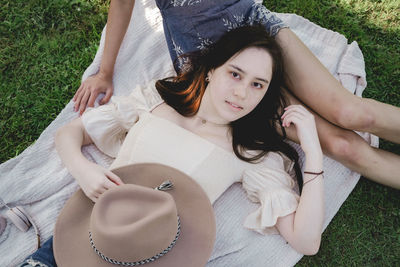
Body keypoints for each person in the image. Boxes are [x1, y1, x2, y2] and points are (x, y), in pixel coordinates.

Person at [19, 25, 323, 266]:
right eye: (235, 74)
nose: (242, 93)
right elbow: (70, 133)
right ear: (211, 70)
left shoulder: (249, 152)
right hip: (92, 235)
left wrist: (313, 151)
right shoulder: (157, 100)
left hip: (158, 254)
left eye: (257, 84)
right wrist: (84, 171)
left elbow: (306, 241)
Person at [73, 0, 400, 189]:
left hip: (253, 25)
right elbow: (122, 4)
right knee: (341, 145)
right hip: (210, 57)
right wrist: (104, 71)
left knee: (353, 115)